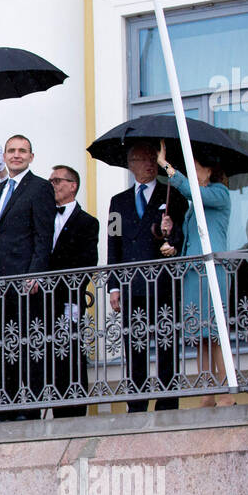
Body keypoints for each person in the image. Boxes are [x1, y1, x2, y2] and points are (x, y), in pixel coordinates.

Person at [0, 135, 57, 422]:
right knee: (4, 345)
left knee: (29, 344)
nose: (16, 155)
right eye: (11, 151)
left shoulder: (40, 188)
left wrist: (35, 273)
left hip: (25, 280)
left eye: (22, 151)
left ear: (31, 157)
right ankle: (8, 405)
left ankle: (30, 406)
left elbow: (43, 235)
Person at [106, 140, 188, 412]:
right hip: (131, 285)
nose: (150, 163)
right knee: (135, 345)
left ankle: (167, 402)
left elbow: (179, 238)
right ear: (131, 165)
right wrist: (113, 287)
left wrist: (170, 232)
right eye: (143, 159)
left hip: (163, 283)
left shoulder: (171, 195)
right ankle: (137, 403)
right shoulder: (118, 202)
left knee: (166, 344)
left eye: (153, 158)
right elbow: (113, 243)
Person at [157, 140, 234, 407]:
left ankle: (226, 391)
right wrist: (171, 245)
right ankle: (207, 392)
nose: (193, 172)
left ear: (211, 170)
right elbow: (191, 242)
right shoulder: (192, 208)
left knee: (215, 333)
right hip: (192, 273)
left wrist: (166, 166)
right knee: (198, 337)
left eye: (196, 167)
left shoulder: (219, 194)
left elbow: (193, 193)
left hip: (211, 271)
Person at [46, 165, 99, 418]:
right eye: (51, 181)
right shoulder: (42, 218)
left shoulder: (88, 222)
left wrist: (67, 289)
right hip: (42, 300)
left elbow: (88, 262)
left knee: (71, 353)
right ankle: (54, 409)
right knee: (47, 354)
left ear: (72, 185)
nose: (53, 185)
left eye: (57, 181)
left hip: (68, 297)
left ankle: (75, 411)